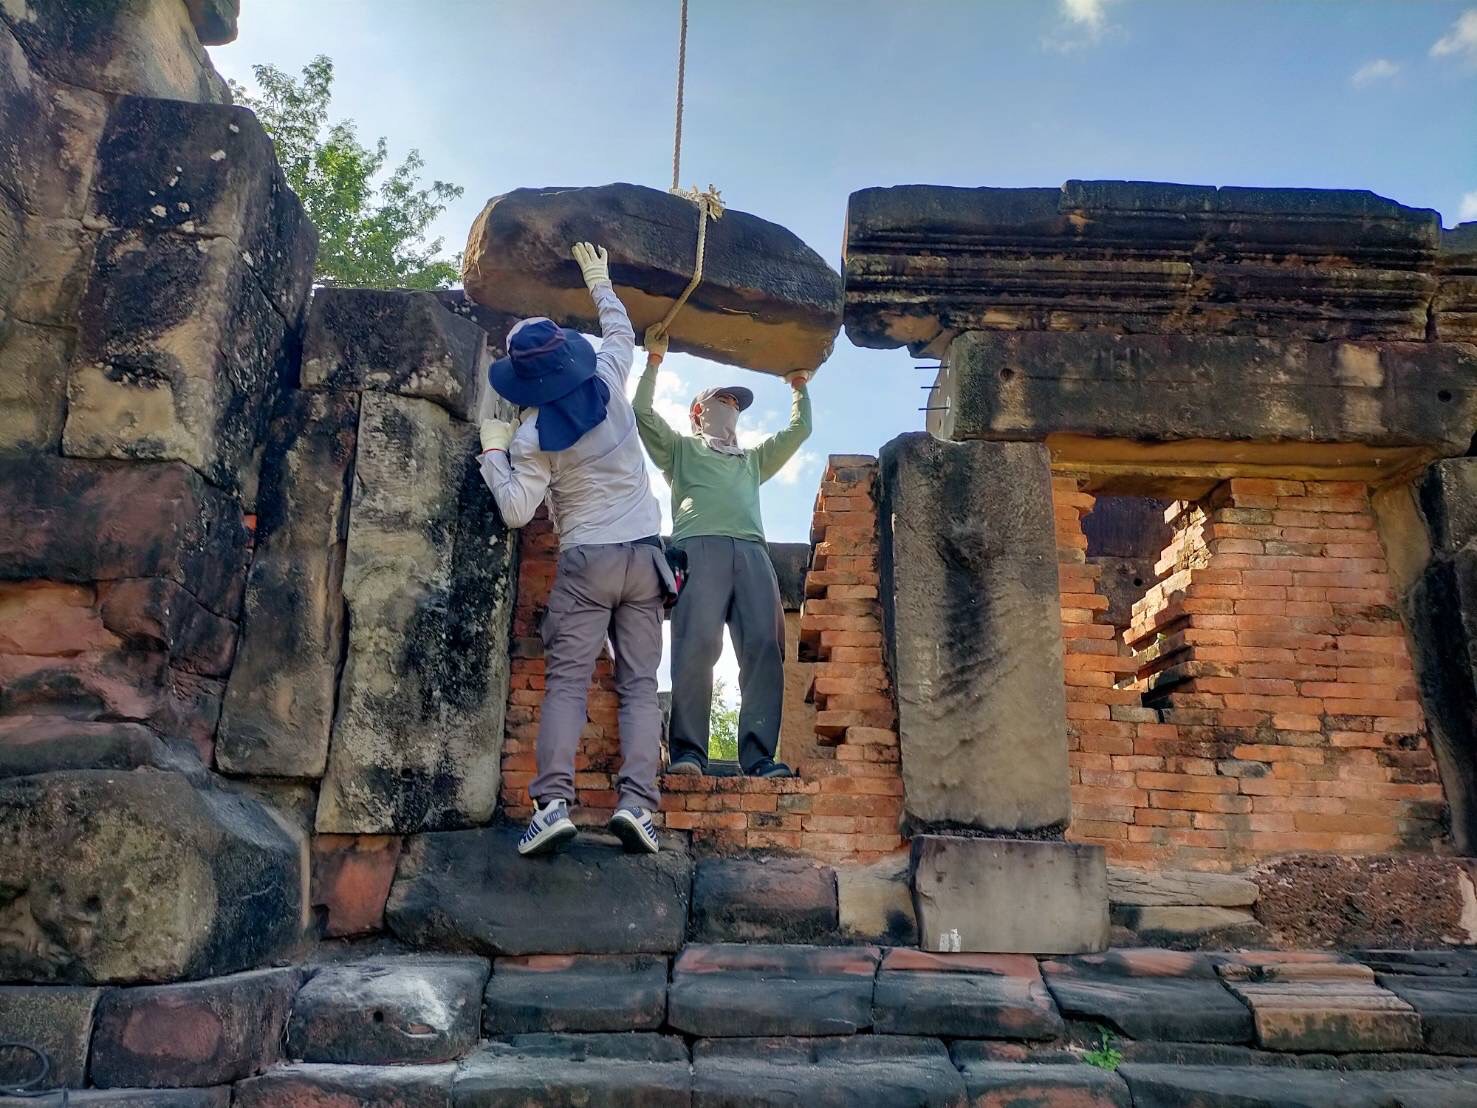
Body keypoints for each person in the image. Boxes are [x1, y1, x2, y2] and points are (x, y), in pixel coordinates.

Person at [478, 242, 672, 857]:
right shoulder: (610, 379)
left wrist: (493, 451)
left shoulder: (534, 435)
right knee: (640, 686)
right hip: (646, 559)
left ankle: (553, 807)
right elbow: (620, 333)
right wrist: (599, 280)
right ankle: (638, 807)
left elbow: (517, 510)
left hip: (588, 560)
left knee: (567, 683)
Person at [634, 325, 814, 779]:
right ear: (699, 411)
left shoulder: (751, 461)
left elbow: (800, 429)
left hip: (752, 553)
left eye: (736, 404)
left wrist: (798, 385)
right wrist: (654, 361)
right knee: (695, 645)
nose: (732, 408)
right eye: (725, 401)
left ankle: (759, 758)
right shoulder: (681, 450)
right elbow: (642, 412)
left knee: (764, 648)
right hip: (699, 548)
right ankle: (688, 754)